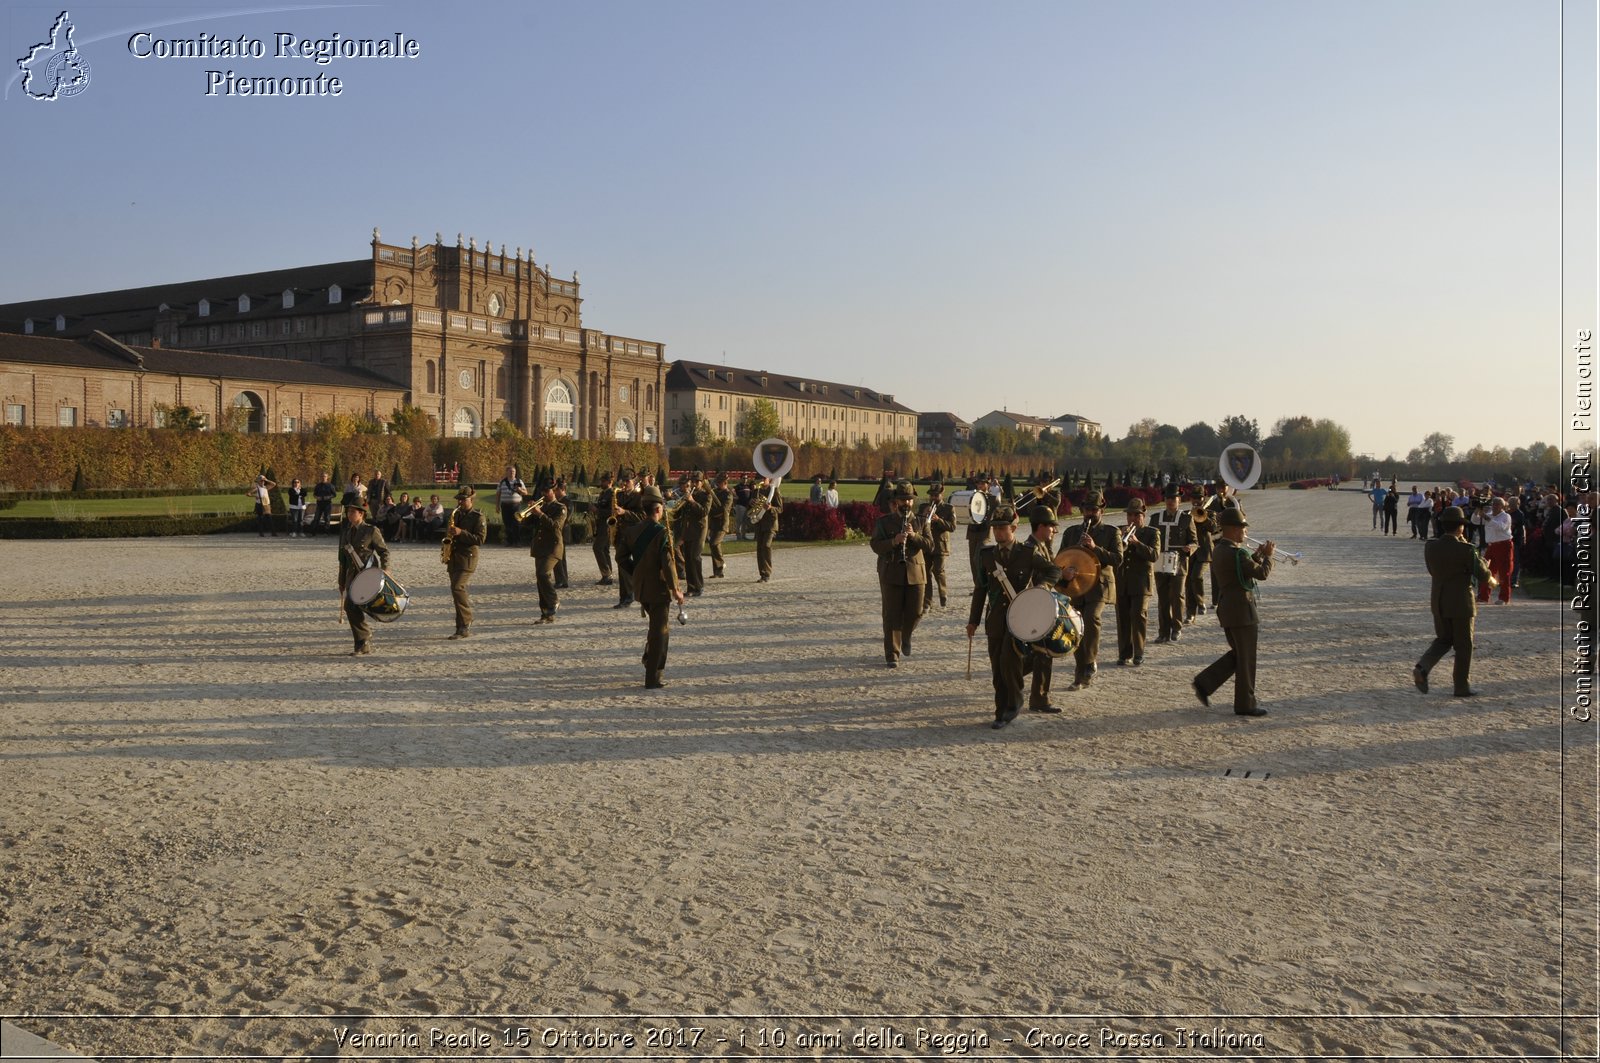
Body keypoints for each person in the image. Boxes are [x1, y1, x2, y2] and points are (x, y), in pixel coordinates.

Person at [966, 504, 1062, 729]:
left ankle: (1013, 704)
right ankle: (1000, 710)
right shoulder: (987, 555)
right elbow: (981, 589)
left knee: (1008, 661)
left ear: (1014, 528)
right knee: (997, 669)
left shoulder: (1027, 553)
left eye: (1003, 528)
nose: (998, 532)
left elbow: (1053, 571)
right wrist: (973, 621)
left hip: (1019, 619)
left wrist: (1041, 589)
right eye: (995, 528)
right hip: (995, 620)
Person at [1191, 509, 1273, 716]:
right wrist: (1268, 558)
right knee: (1246, 659)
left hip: (1228, 608)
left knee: (1238, 655)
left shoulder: (1221, 550)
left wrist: (1259, 554)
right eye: (1243, 529)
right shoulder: (1237, 553)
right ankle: (1246, 704)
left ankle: (1205, 683)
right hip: (1242, 611)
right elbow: (1261, 573)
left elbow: (1241, 569)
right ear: (1234, 530)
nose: (1245, 533)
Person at [1413, 506, 1493, 697]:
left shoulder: (1431, 546)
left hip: (1439, 600)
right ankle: (1461, 685)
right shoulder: (1466, 549)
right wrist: (1487, 569)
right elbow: (1483, 576)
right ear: (1460, 528)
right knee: (1464, 645)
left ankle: (1422, 667)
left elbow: (1433, 570)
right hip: (1461, 603)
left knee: (1443, 640)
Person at [618, 485, 684, 689]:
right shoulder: (661, 532)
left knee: (655, 628)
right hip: (659, 590)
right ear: (657, 509)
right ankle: (653, 678)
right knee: (660, 634)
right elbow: (667, 562)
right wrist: (676, 589)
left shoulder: (631, 531)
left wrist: (636, 573)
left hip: (641, 589)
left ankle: (649, 657)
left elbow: (620, 557)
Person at [1057, 490, 1122, 690]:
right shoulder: (1071, 533)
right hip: (1076, 587)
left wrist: (1095, 548)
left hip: (1099, 587)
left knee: (1092, 618)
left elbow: (1117, 559)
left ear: (1101, 510)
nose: (1090, 513)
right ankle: (1080, 676)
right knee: (1076, 628)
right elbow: (1060, 558)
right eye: (1087, 510)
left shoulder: (1112, 532)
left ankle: (1091, 661)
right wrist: (1066, 566)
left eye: (1094, 510)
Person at [870, 483, 930, 668]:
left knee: (916, 611)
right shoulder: (884, 522)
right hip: (891, 573)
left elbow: (930, 545)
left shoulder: (920, 521)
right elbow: (875, 545)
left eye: (910, 499)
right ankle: (892, 654)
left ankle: (906, 636)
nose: (907, 502)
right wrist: (894, 541)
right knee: (891, 615)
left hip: (916, 573)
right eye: (903, 499)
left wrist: (914, 537)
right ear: (896, 501)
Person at [336, 500, 389, 656]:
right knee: (350, 606)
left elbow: (384, 551)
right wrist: (341, 581)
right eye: (348, 511)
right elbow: (343, 560)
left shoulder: (371, 531)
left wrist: (386, 568)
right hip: (352, 577)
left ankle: (363, 640)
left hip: (367, 575)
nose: (349, 514)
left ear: (361, 514)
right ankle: (363, 641)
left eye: (352, 511)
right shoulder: (346, 532)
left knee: (354, 606)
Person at [1115, 498, 1160, 666]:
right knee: (1123, 618)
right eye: (1130, 515)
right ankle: (1124, 653)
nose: (1132, 518)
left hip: (1141, 583)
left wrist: (1137, 543)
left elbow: (1154, 555)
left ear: (1143, 515)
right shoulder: (1119, 531)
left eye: (1136, 515)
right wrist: (1121, 537)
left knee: (1138, 616)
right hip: (1122, 581)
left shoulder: (1151, 533)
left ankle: (1139, 652)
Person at [1149, 486, 1195, 642]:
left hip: (1180, 563)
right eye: (1168, 498)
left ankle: (1177, 627)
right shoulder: (1155, 518)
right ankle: (1163, 632)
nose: (1170, 501)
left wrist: (1190, 548)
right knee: (1162, 599)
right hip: (1159, 562)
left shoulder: (1186, 519)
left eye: (1173, 499)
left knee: (1177, 596)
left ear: (1179, 500)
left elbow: (1194, 541)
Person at [444, 485, 487, 638]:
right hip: (454, 558)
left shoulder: (478, 517)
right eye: (459, 500)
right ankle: (460, 627)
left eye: (464, 500)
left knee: (458, 588)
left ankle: (466, 622)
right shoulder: (456, 515)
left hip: (468, 559)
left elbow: (480, 539)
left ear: (471, 500)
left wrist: (461, 532)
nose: (461, 502)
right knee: (455, 591)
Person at [526, 481, 565, 623]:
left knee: (543, 573)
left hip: (553, 547)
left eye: (547, 492)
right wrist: (529, 512)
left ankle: (554, 601)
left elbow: (556, 526)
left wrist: (540, 514)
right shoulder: (540, 506)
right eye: (543, 492)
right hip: (540, 547)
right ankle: (546, 613)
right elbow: (526, 524)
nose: (544, 494)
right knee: (540, 579)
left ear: (554, 491)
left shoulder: (560, 508)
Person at [917, 482, 956, 613]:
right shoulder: (924, 506)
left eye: (936, 495)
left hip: (941, 545)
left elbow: (952, 527)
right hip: (927, 545)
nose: (933, 498)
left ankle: (943, 593)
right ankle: (927, 602)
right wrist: (924, 514)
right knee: (926, 573)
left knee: (938, 571)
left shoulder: (948, 508)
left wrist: (938, 520)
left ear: (941, 494)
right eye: (931, 495)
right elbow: (917, 523)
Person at [673, 473, 709, 597]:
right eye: (693, 481)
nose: (695, 483)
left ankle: (699, 586)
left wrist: (692, 501)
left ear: (702, 482)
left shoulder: (706, 495)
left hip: (699, 530)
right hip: (687, 530)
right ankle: (691, 587)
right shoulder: (688, 494)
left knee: (695, 557)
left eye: (697, 481)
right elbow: (680, 512)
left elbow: (704, 512)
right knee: (688, 559)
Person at [1479, 495, 1514, 604]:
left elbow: (1501, 527)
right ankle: (1483, 596)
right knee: (1486, 570)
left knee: (1504, 572)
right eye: (1493, 504)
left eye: (1497, 504)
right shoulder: (1488, 515)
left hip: (1504, 545)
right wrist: (1478, 511)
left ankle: (1504, 598)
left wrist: (1487, 518)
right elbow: (1474, 520)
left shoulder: (1506, 516)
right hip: (1491, 546)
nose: (1494, 506)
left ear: (1503, 506)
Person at [1184, 492, 1214, 621]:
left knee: (1196, 576)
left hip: (1204, 551)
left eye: (1199, 498)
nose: (1197, 501)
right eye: (1194, 498)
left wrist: (1204, 515)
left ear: (1204, 499)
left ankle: (1201, 603)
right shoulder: (1186, 514)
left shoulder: (1210, 513)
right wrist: (1190, 516)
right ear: (1191, 499)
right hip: (1190, 551)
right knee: (1188, 582)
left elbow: (1213, 528)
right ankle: (1190, 613)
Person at [751, 477, 783, 582]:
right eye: (760, 477)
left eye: (765, 477)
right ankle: (763, 574)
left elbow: (780, 508)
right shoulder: (756, 491)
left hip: (770, 524)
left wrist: (770, 508)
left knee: (766, 545)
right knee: (760, 548)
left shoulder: (774, 490)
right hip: (759, 523)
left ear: (769, 479)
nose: (762, 479)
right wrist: (752, 503)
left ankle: (767, 572)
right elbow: (751, 507)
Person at [966, 474, 994, 584]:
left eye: (983, 483)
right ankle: (977, 585)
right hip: (972, 532)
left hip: (984, 533)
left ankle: (984, 584)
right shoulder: (972, 497)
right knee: (973, 561)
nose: (980, 485)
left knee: (980, 560)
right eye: (978, 483)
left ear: (988, 484)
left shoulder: (992, 499)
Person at [591, 471, 617, 586]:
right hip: (601, 524)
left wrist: (597, 510)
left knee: (597, 548)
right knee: (604, 550)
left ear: (610, 482)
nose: (601, 483)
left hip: (607, 526)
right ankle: (608, 575)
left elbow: (611, 511)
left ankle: (607, 574)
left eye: (603, 481)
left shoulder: (612, 494)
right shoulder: (603, 494)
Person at [706, 473, 733, 578]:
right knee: (714, 546)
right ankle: (717, 571)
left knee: (714, 543)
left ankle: (721, 564)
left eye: (719, 482)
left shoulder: (728, 495)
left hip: (722, 523)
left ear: (725, 483)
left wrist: (711, 512)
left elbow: (724, 509)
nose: (717, 484)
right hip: (714, 523)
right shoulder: (715, 492)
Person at [497, 465, 527, 547]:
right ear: (506, 472)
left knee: (517, 523)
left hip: (516, 506)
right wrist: (497, 506)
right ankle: (509, 541)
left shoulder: (519, 481)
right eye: (510, 471)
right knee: (507, 524)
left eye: (513, 471)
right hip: (505, 506)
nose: (512, 473)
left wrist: (520, 490)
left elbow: (526, 493)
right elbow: (498, 494)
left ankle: (517, 542)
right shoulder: (502, 482)